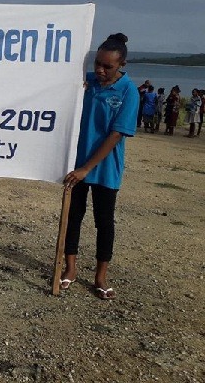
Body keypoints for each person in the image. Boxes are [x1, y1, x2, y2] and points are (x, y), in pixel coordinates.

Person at [60, 33, 138, 300]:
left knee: (104, 222)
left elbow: (116, 134)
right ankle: (69, 269)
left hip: (104, 168)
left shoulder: (128, 91)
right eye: (98, 64)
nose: (101, 71)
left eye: (108, 66)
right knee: (73, 216)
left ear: (122, 65)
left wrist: (87, 169)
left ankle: (100, 276)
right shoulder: (88, 83)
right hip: (77, 163)